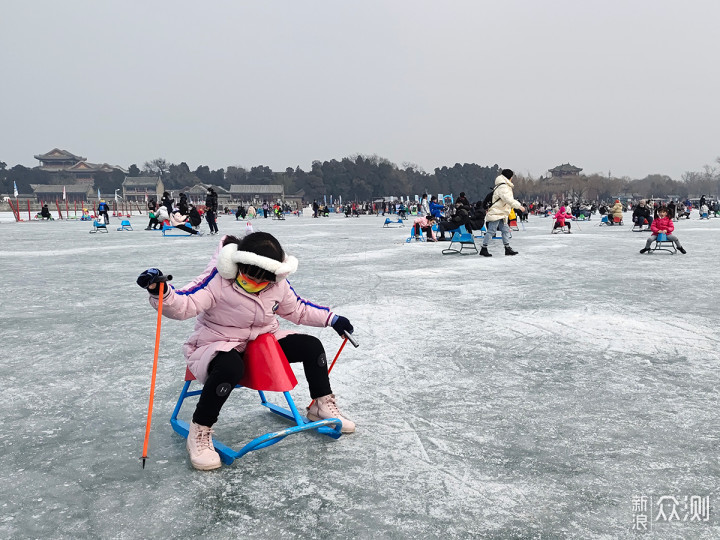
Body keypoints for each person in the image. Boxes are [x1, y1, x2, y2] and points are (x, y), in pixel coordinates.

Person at [136, 232, 356, 470]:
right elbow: (184, 303)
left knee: (312, 346)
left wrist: (332, 318)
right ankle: (199, 429)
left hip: (263, 341)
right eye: (250, 277)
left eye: (265, 280)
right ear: (236, 266)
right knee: (231, 367)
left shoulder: (278, 284)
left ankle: (320, 406)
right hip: (217, 342)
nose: (257, 284)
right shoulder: (217, 280)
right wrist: (162, 292)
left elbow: (299, 309)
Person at [480, 169, 525, 257]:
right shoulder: (503, 187)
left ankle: (507, 248)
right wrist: (518, 206)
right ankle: (484, 248)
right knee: (491, 231)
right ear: (510, 177)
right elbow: (507, 199)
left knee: (505, 230)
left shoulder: (502, 185)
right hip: (497, 212)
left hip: (501, 212)